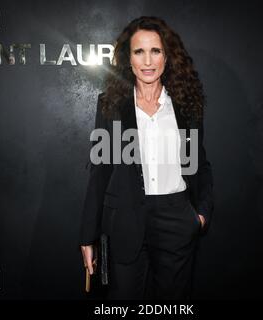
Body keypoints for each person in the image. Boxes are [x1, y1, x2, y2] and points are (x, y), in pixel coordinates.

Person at [79, 16, 214, 300]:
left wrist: (199, 215)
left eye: (156, 51)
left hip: (176, 218)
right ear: (128, 58)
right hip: (125, 220)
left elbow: (199, 163)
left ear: (167, 56)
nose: (148, 60)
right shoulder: (111, 104)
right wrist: (87, 236)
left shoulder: (188, 105)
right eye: (139, 51)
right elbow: (99, 169)